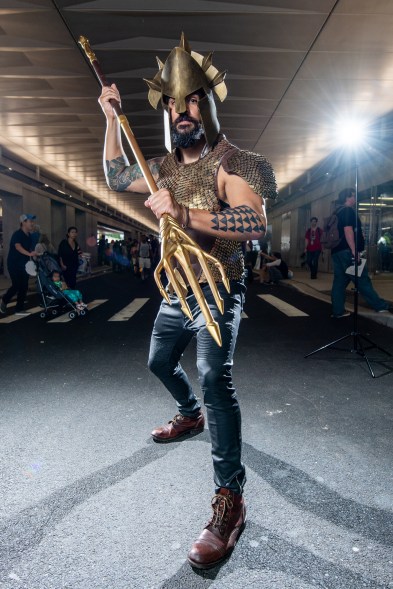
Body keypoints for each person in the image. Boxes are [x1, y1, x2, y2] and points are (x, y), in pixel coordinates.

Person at [98, 33, 277, 569]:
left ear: (211, 106)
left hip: (220, 287)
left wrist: (183, 213)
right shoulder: (163, 167)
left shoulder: (235, 162)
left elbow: (253, 221)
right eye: (175, 103)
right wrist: (111, 118)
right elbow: (114, 175)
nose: (182, 111)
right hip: (178, 287)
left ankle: (231, 499)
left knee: (212, 373)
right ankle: (188, 414)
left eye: (194, 100)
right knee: (157, 361)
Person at [331, 187, 392, 318]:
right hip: (348, 252)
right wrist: (354, 251)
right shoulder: (348, 211)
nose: (355, 198)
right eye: (353, 196)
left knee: (339, 283)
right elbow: (348, 230)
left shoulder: (337, 212)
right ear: (347, 197)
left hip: (337, 252)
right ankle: (380, 306)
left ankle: (337, 311)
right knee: (362, 280)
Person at [0, 214, 36, 316]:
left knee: (24, 286)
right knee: (16, 285)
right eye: (30, 221)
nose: (32, 223)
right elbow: (18, 247)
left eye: (33, 221)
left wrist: (34, 255)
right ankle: (4, 300)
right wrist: (29, 254)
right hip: (14, 264)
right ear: (23, 222)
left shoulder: (29, 236)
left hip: (24, 265)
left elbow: (29, 249)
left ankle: (19, 309)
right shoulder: (17, 234)